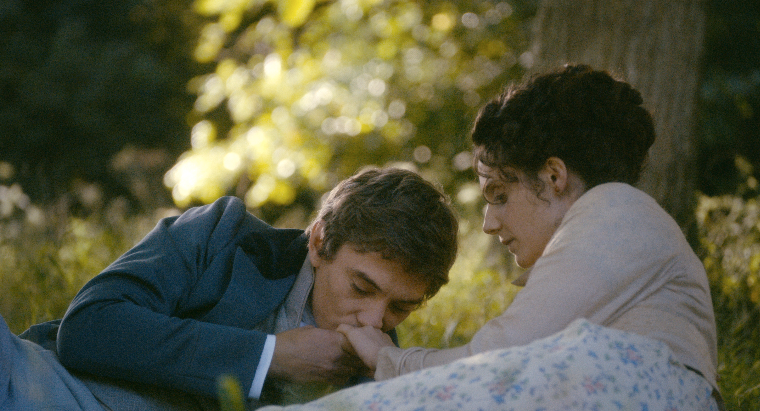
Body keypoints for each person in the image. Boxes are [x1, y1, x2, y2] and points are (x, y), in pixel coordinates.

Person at [257, 64, 722, 410]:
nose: (489, 223)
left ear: (554, 176)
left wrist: (389, 360)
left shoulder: (617, 208)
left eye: (499, 195)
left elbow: (494, 361)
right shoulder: (617, 234)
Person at [1, 167, 459, 410]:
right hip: (36, 386)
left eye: (402, 308)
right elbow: (90, 327)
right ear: (320, 242)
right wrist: (269, 357)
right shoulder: (222, 233)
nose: (375, 321)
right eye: (361, 287)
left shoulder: (385, 371)